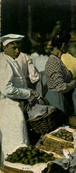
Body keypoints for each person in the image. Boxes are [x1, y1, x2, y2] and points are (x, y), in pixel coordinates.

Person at [0, 34, 39, 164]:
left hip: (15, 107)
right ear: (5, 48)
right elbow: (7, 89)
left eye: (18, 48)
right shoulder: (4, 62)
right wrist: (28, 94)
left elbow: (19, 85)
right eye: (14, 47)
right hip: (8, 109)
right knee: (15, 143)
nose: (17, 51)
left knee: (20, 142)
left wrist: (31, 92)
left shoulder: (11, 61)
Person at [45, 31, 76, 113]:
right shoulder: (53, 61)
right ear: (63, 45)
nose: (69, 47)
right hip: (56, 101)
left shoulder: (57, 60)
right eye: (68, 44)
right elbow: (60, 87)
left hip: (60, 98)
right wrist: (74, 83)